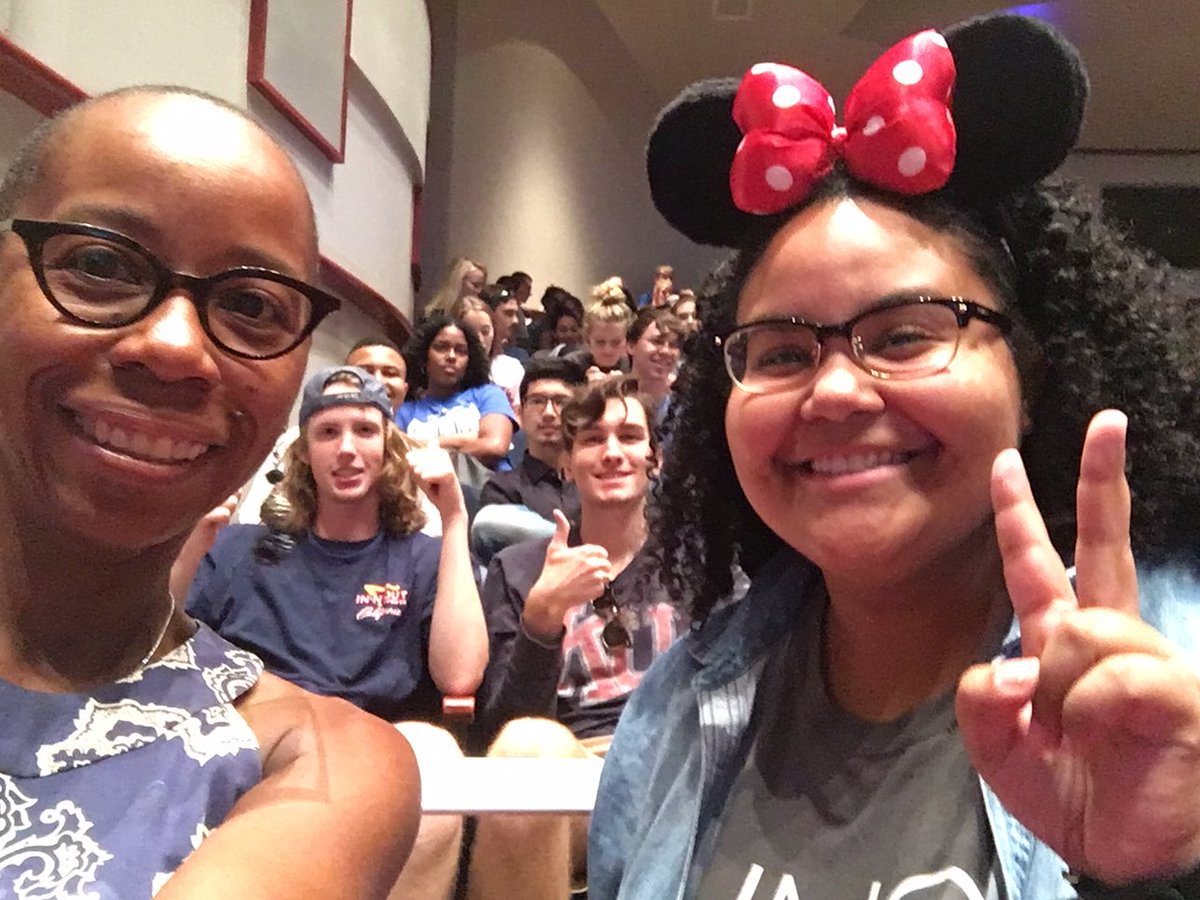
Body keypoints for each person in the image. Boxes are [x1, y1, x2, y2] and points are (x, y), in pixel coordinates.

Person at [590, 14, 1200, 900]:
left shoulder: (1178, 671)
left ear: (1030, 372)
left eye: (906, 335)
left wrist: (1159, 877)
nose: (834, 392)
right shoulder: (676, 706)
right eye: (782, 353)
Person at [0, 86, 418, 898]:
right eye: (98, 264)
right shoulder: (249, 555)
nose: (174, 347)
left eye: (253, 305)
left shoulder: (317, 767)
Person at [188, 366, 487, 899]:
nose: (347, 449)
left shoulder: (421, 557)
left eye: (365, 431)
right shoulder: (238, 548)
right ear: (303, 452)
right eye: (328, 433)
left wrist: (455, 518)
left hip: (382, 754)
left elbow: (460, 674)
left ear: (388, 447)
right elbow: (152, 649)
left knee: (435, 751)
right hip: (263, 747)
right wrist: (192, 542)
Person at [469, 376, 686, 899]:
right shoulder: (519, 568)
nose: (612, 452)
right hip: (568, 773)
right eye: (591, 439)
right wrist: (542, 618)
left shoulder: (696, 561)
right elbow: (498, 727)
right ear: (566, 462)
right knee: (526, 747)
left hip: (678, 768)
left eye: (629, 436)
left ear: (654, 458)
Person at [222, 335, 412, 532]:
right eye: (365, 371)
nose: (377, 381)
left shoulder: (419, 458)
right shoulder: (291, 443)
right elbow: (252, 518)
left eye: (390, 373)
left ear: (405, 388)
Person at [470, 358, 587, 565]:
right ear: (519, 414)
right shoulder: (501, 489)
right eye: (537, 401)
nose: (549, 413)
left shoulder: (597, 479)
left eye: (561, 401)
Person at [397, 313, 518, 471]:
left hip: (490, 489)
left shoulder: (488, 395)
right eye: (441, 347)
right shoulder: (405, 411)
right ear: (423, 357)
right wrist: (468, 439)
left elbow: (494, 446)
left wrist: (424, 444)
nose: (452, 356)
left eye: (461, 351)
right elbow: (398, 459)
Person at [625, 306, 684, 434]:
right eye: (657, 341)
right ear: (630, 346)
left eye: (673, 345)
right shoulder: (611, 401)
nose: (666, 351)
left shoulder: (685, 409)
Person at [566, 280, 634, 381]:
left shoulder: (634, 366)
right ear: (588, 340)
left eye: (616, 342)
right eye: (600, 342)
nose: (608, 350)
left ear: (626, 341)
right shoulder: (571, 366)